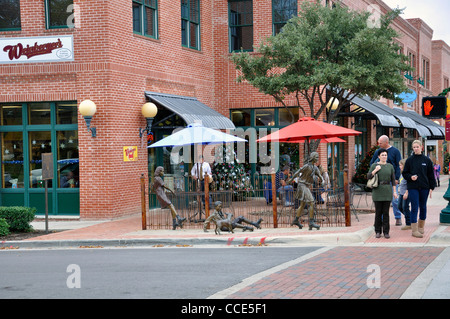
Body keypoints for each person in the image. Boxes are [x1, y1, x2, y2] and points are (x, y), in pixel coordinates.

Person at [402, 140, 436, 238]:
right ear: (412, 148)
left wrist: (431, 187)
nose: (416, 149)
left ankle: (421, 227)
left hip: (424, 187)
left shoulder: (427, 160)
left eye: (417, 147)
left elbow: (431, 175)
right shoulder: (409, 160)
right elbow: (405, 173)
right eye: (414, 147)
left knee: (423, 206)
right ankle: (414, 230)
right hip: (413, 187)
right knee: (414, 206)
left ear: (421, 147)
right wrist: (410, 177)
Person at [370, 135, 402, 225]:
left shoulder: (395, 151)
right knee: (381, 201)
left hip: (392, 180)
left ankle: (398, 217)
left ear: (386, 142)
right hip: (380, 180)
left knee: (395, 200)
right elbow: (371, 163)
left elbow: (398, 166)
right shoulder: (377, 152)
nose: (378, 144)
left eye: (380, 143)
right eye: (378, 143)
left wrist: (396, 178)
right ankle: (382, 220)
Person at [287, 152, 323, 230]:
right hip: (302, 185)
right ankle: (311, 222)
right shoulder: (307, 166)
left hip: (306, 186)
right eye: (316, 157)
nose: (317, 159)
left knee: (303, 204)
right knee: (311, 202)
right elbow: (297, 172)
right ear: (312, 157)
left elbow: (320, 175)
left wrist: (323, 181)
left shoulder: (315, 168)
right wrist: (291, 180)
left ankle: (296, 220)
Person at [368, 148, 397, 239]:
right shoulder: (374, 165)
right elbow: (368, 176)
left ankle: (386, 232)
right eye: (382, 155)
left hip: (387, 190)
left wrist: (394, 192)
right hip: (377, 191)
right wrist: (375, 170)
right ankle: (377, 231)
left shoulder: (390, 166)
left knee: (386, 213)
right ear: (379, 156)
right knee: (378, 213)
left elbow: (393, 180)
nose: (384, 156)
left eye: (385, 155)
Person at [398, 159, 411, 230]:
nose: (399, 166)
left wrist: (406, 192)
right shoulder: (402, 173)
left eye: (400, 165)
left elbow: (409, 184)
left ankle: (409, 223)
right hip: (401, 193)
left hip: (406, 193)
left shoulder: (407, 173)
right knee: (399, 206)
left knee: (405, 207)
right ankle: (412, 217)